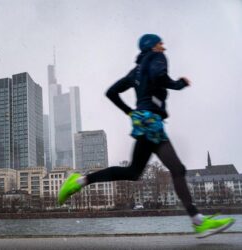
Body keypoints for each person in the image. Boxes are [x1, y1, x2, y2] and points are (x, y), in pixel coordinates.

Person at [58, 34, 235, 238]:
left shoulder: (136, 70)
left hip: (145, 120)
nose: (163, 46)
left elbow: (112, 92)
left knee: (135, 171)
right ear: (151, 46)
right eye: (160, 43)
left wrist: (130, 112)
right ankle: (198, 221)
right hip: (152, 122)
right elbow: (159, 76)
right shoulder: (157, 57)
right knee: (176, 169)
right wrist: (178, 84)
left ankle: (79, 182)